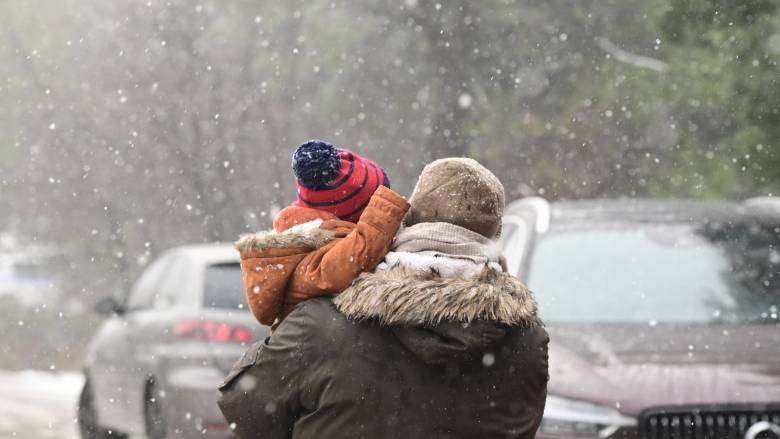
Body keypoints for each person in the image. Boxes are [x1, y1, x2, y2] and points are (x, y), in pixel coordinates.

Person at [219, 158, 549, 439]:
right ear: (494, 235)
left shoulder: (322, 325)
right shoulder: (526, 339)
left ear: (408, 222)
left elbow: (245, 413)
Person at [236, 140, 409, 329]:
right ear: (357, 217)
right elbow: (338, 269)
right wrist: (382, 216)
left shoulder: (315, 239)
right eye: (372, 204)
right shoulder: (314, 253)